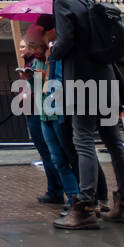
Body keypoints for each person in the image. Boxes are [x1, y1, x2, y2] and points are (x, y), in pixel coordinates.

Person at [45, 0, 124, 230]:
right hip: (107, 79)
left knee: (83, 139)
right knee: (114, 143)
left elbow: (67, 41)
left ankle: (84, 206)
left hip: (82, 80)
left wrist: (53, 50)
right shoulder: (91, 2)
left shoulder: (63, 3)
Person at [28, 22, 83, 215]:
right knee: (57, 158)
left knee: (70, 155)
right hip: (45, 114)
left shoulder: (57, 56)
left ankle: (82, 196)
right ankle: (72, 195)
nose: (33, 47)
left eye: (35, 43)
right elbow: (37, 90)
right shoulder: (38, 61)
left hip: (59, 111)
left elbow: (60, 82)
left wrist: (46, 78)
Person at [18, 29, 66, 206]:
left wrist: (32, 79)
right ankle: (55, 189)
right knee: (49, 153)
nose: (22, 49)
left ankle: (59, 191)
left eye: (26, 46)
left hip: (43, 109)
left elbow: (44, 86)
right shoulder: (34, 61)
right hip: (37, 108)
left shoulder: (44, 59)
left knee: (51, 153)